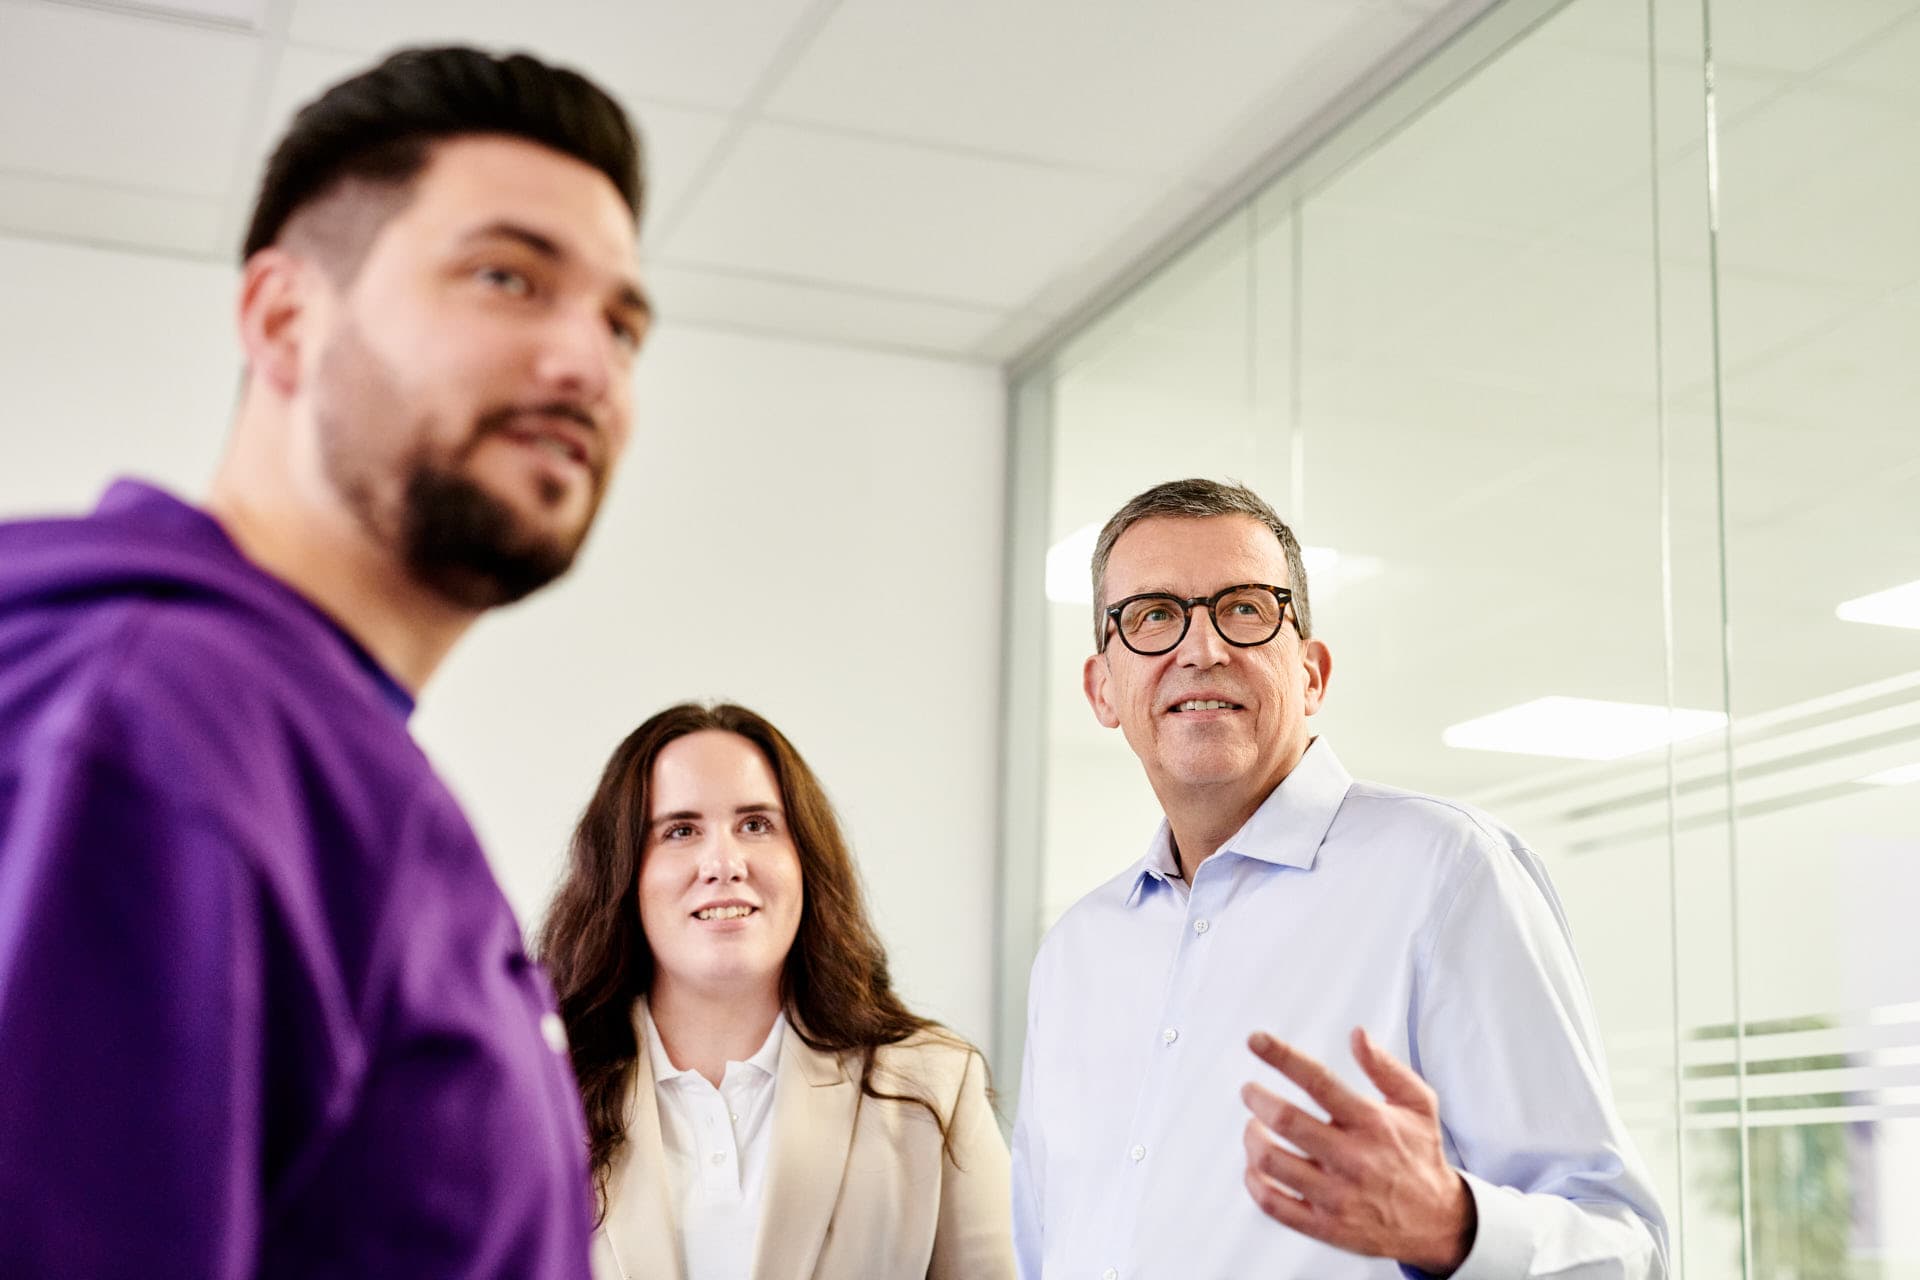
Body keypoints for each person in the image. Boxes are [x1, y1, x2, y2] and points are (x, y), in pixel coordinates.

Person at [0, 47, 650, 1278]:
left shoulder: (322, 756)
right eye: (507, 276)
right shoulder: (155, 722)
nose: (587, 363)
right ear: (285, 318)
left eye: (622, 323)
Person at [1010, 479, 1668, 1279]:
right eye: (1153, 616)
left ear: (1312, 673)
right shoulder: (1078, 950)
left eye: (1245, 609)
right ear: (1102, 690)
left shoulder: (1445, 873)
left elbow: (1628, 1249)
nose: (1201, 649)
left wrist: (1453, 1225)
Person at [538, 703, 1014, 1280]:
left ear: (806, 860)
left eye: (756, 824)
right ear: (623, 873)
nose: (723, 862)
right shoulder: (539, 1091)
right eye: (680, 830)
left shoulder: (934, 1083)